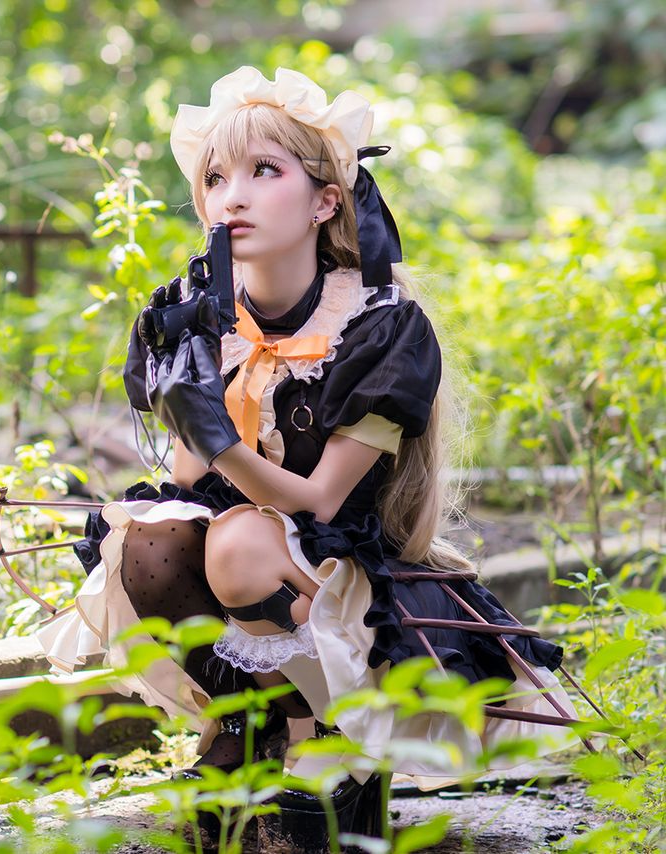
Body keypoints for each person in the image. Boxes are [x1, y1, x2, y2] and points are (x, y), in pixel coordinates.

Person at [35, 65, 579, 840]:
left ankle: (328, 738)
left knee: (241, 543)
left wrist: (219, 435)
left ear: (326, 201)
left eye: (264, 170)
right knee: (146, 541)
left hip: (342, 572)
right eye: (215, 178)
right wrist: (188, 391)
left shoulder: (381, 326)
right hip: (244, 555)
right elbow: (188, 483)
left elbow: (322, 500)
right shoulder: (205, 314)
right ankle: (241, 723)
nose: (233, 197)